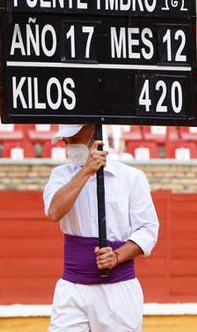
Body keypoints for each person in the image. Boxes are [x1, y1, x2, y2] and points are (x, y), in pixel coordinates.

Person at [44, 124, 159, 331]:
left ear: (93, 133)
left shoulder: (131, 177)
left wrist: (117, 255)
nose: (68, 145)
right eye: (66, 141)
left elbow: (148, 230)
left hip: (118, 290)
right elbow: (54, 212)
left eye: (73, 138)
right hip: (72, 288)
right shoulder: (60, 175)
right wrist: (87, 171)